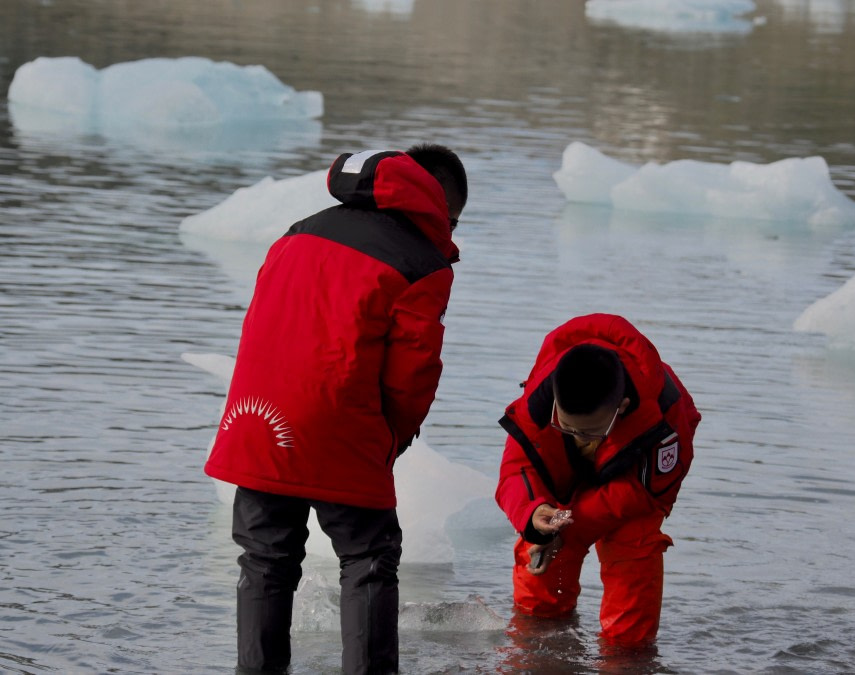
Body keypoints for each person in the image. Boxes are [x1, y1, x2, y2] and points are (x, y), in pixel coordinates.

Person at [204, 145, 467, 674]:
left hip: (256, 421)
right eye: (453, 218)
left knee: (265, 562)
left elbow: (261, 326)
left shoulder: (297, 232)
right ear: (437, 204)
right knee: (368, 560)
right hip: (341, 426)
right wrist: (392, 437)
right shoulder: (420, 261)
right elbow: (412, 374)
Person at [495, 313, 701, 647]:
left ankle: (625, 657)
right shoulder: (538, 400)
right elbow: (516, 468)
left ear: (621, 407)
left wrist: (571, 531)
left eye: (589, 432)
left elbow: (643, 494)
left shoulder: (666, 419)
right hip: (565, 480)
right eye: (567, 428)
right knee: (539, 551)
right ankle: (537, 642)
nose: (579, 439)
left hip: (633, 490)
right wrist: (536, 514)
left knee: (634, 550)